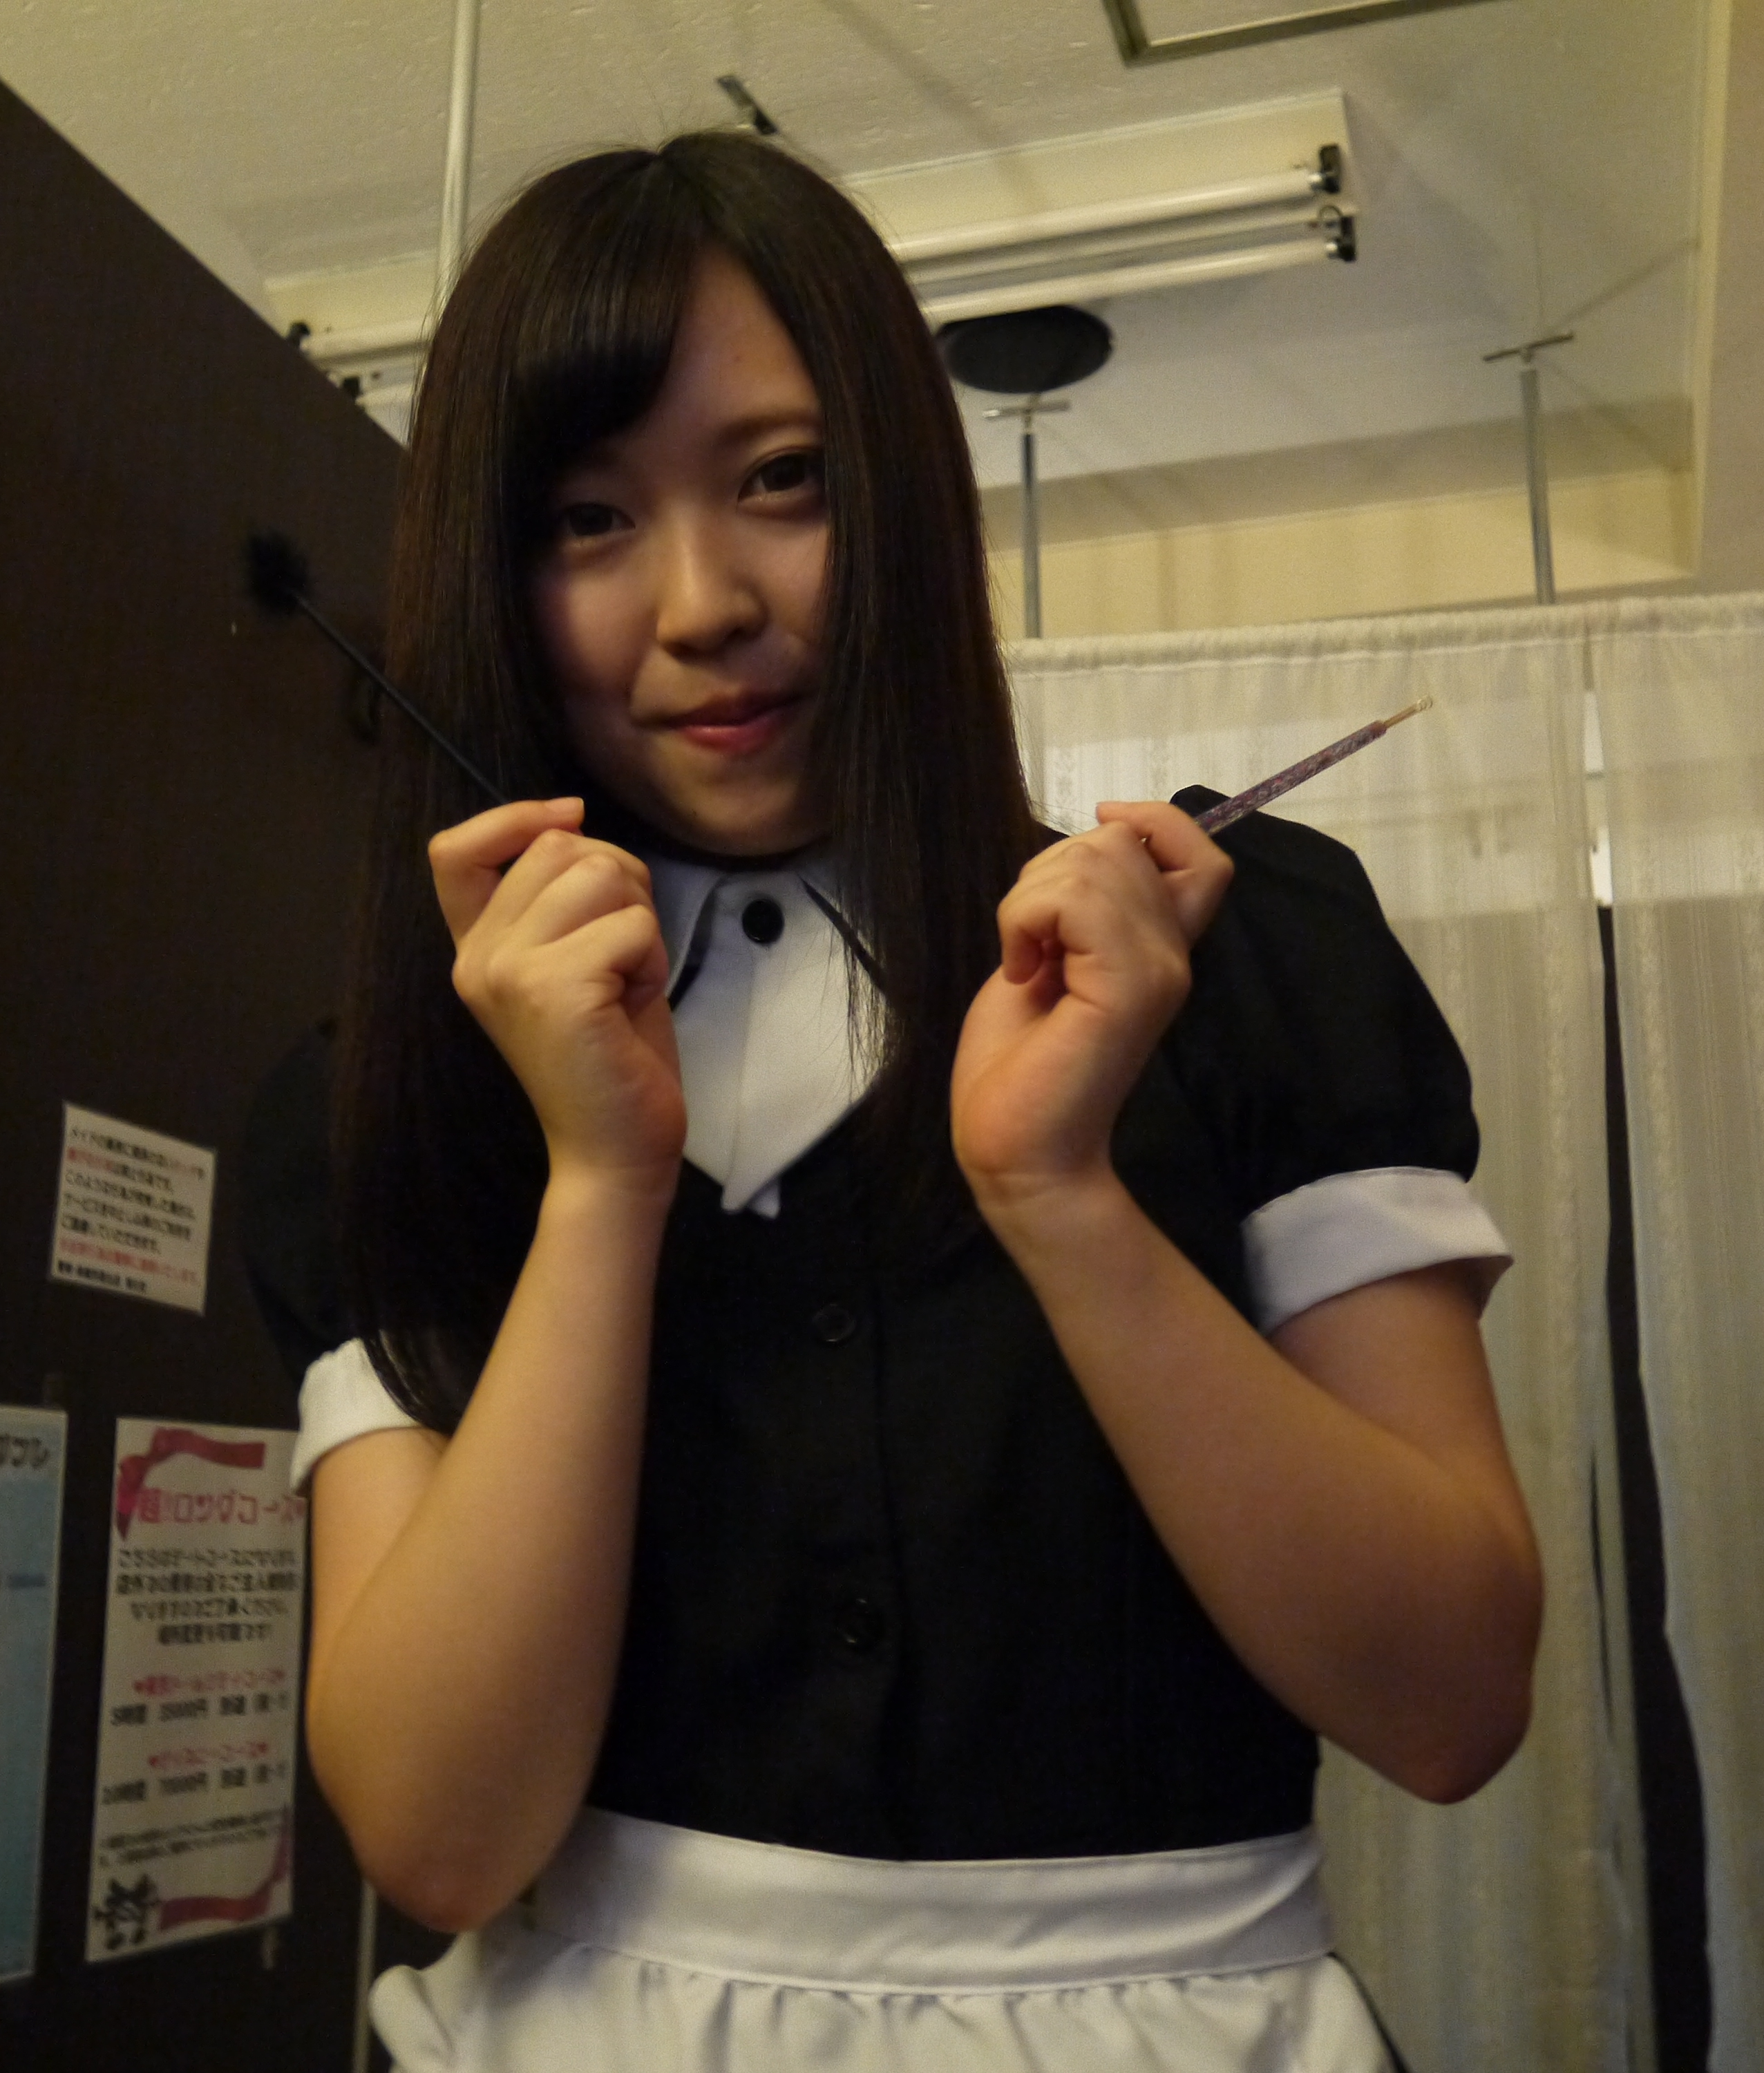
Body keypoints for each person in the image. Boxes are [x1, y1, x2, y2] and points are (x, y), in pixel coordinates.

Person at [241, 129, 1542, 2073]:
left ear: (906, 495)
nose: (704, 603)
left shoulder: (1243, 959)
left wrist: (1061, 1194)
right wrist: (598, 1180)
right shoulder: (393, 1093)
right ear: (492, 579)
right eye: (589, 519)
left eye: (783, 481)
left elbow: (1449, 1703)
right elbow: (441, 1837)